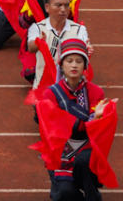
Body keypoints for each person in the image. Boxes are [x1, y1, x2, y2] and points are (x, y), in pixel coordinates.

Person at [37, 37, 111, 201]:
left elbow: (98, 131)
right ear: (61, 65)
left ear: (85, 65)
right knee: (65, 194)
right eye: (69, 60)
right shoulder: (51, 93)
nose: (74, 65)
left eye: (79, 61)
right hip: (62, 149)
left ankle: (92, 192)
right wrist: (86, 122)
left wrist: (98, 118)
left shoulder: (96, 92)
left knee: (84, 160)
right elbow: (54, 128)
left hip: (86, 147)